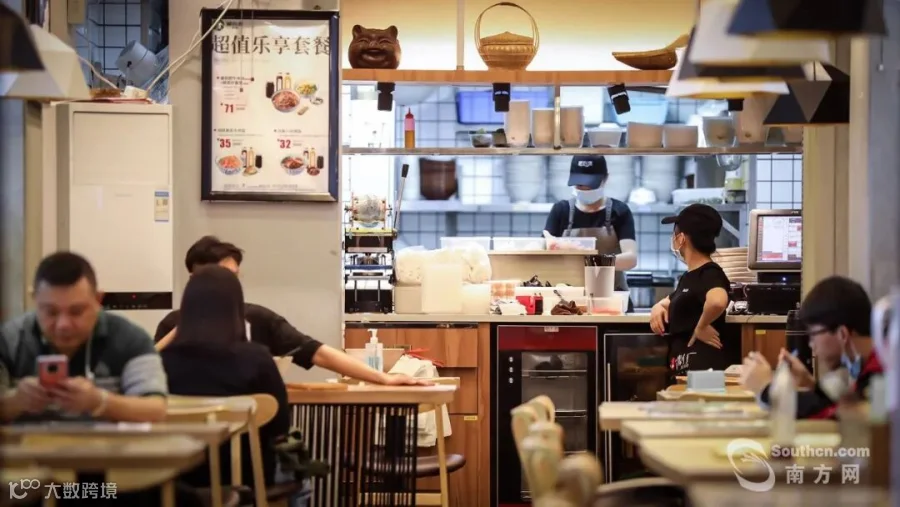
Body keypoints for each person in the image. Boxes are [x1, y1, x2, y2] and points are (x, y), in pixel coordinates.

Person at [154, 236, 425, 386]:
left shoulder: (258, 320)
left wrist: (382, 378)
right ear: (193, 279)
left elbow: (316, 351)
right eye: (216, 277)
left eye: (233, 277)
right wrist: (184, 327)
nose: (226, 286)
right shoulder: (171, 326)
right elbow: (146, 373)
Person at [160, 265, 290, 491]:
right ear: (236, 308)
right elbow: (280, 427)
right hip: (247, 481)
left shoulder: (162, 363)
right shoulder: (257, 359)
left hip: (179, 484)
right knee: (300, 479)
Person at [0, 251, 168, 423]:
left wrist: (100, 402)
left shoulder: (130, 339)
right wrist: (15, 402)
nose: (63, 324)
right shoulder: (8, 339)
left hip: (105, 441)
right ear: (34, 299)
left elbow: (155, 409)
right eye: (51, 312)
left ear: (98, 299)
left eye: (76, 311)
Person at [740, 276, 883, 419]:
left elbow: (835, 416)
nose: (811, 344)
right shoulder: (872, 364)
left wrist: (768, 390)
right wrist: (809, 383)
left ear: (842, 334)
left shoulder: (881, 372)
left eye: (813, 335)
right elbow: (836, 405)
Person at [543, 155, 638, 311]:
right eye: (580, 184)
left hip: (612, 301)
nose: (585, 189)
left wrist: (592, 261)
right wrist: (552, 244)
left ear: (605, 179)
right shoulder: (561, 211)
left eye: (591, 184)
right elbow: (544, 253)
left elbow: (630, 259)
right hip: (569, 304)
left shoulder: (619, 211)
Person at [648, 204, 731, 377]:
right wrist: (658, 307)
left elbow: (717, 301)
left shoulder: (710, 272)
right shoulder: (689, 276)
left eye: (674, 234)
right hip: (685, 368)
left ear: (681, 239)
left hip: (704, 373)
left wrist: (701, 327)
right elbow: (673, 300)